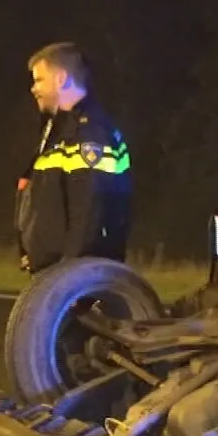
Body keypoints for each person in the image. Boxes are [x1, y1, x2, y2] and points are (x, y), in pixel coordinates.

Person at [15, 41, 132, 274]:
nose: (33, 89)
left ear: (60, 78)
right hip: (57, 277)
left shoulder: (90, 133)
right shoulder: (59, 131)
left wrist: (70, 272)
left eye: (39, 80)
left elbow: (90, 209)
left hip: (77, 281)